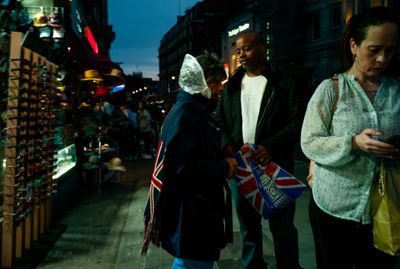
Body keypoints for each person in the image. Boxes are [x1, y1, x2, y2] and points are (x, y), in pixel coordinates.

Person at [301, 6, 400, 269]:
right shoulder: (331, 89)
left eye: (389, 51)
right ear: (354, 46)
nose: (382, 59)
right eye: (374, 49)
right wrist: (353, 143)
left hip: (385, 208)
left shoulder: (396, 91)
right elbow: (309, 141)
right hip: (334, 206)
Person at [141, 52, 238, 269]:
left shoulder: (190, 109)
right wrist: (224, 167)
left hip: (193, 210)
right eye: (215, 83)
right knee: (195, 262)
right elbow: (181, 167)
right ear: (202, 82)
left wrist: (221, 149)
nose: (220, 88)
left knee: (188, 262)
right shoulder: (188, 114)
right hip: (193, 212)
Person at [216, 31, 303, 269]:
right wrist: (227, 147)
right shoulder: (232, 84)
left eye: (247, 48)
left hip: (274, 165)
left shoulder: (281, 80)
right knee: (248, 227)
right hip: (242, 167)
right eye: (238, 50)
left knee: (282, 227)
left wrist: (271, 146)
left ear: (262, 48)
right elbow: (219, 121)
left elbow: (297, 121)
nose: (241, 54)